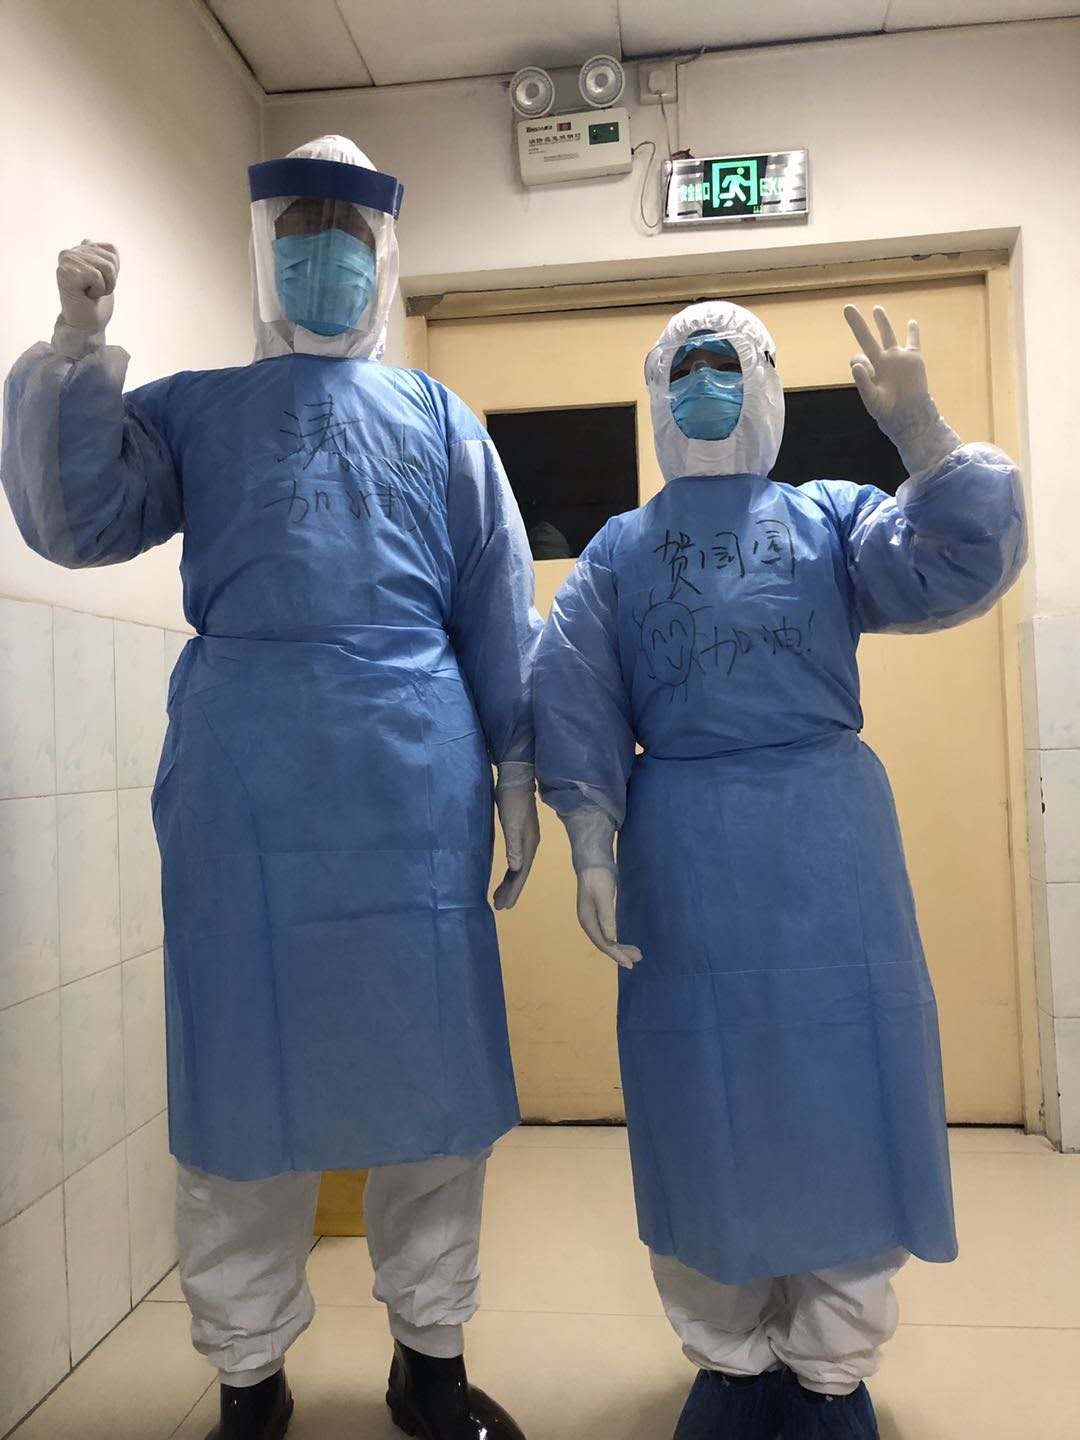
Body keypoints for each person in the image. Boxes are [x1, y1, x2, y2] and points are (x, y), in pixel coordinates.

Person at [2, 135, 542, 1440]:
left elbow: (495, 599)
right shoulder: (198, 410)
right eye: (300, 235)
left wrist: (521, 760)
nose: (323, 260)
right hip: (245, 786)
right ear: (265, 251)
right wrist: (74, 355)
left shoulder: (439, 421)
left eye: (345, 239)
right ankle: (248, 1372)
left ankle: (431, 1359)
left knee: (430, 1089)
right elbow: (74, 521)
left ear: (381, 258)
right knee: (242, 1084)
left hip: (412, 783)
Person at [534, 299, 1025, 1439]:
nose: (705, 387)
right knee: (697, 1102)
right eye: (684, 369)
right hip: (682, 853)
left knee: (844, 1092)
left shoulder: (828, 521)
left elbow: (958, 562)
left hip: (827, 845)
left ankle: (830, 1373)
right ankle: (731, 1363)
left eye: (726, 366)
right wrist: (592, 839)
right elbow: (575, 693)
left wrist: (924, 440)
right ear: (656, 393)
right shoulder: (619, 552)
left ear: (762, 384)